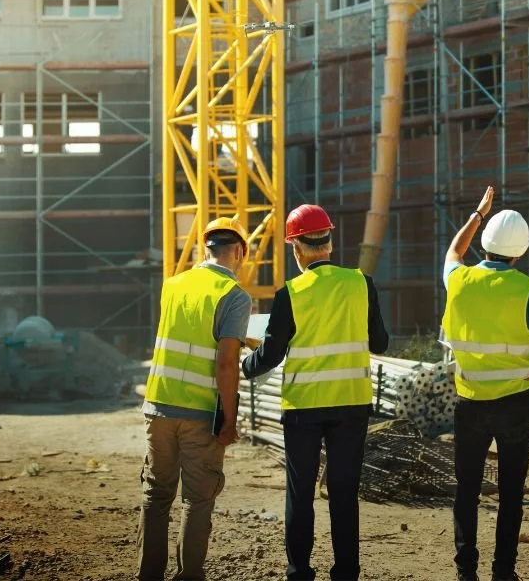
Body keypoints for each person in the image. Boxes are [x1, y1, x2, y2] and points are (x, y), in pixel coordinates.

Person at [243, 203, 389, 581]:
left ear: (296, 248)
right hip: (352, 405)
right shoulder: (362, 283)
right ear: (330, 241)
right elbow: (381, 343)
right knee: (343, 494)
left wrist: (245, 364)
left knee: (300, 493)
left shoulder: (290, 293)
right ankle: (346, 573)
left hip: (303, 408)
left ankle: (299, 572)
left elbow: (271, 356)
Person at [442, 186, 529, 581]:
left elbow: (453, 252)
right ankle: (503, 572)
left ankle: (466, 571)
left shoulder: (459, 279)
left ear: (485, 244)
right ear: (521, 252)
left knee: (466, 490)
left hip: (470, 403)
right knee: (511, 494)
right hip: (516, 403)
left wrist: (477, 215)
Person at [136, 217, 252, 581]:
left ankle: (148, 575)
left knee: (156, 494)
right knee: (198, 500)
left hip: (158, 406)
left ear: (205, 248)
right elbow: (227, 361)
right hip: (200, 413)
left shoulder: (173, 285)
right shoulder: (234, 296)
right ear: (238, 252)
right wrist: (230, 420)